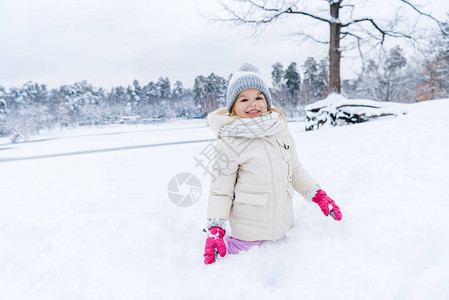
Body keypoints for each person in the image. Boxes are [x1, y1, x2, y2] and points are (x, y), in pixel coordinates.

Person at [203, 64, 342, 265]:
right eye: (244, 99)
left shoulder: (280, 132)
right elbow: (220, 190)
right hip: (247, 234)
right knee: (238, 268)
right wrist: (216, 226)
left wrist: (318, 194)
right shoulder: (229, 143)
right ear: (233, 107)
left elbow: (295, 170)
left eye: (259, 97)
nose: (253, 104)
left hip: (284, 226)